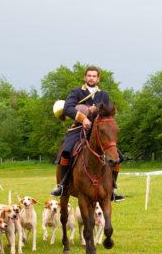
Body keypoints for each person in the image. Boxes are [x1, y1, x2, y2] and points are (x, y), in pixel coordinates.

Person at [50, 66, 124, 201]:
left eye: (94, 76)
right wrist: (83, 118)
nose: (91, 78)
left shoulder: (104, 95)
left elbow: (107, 112)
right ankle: (62, 185)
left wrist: (96, 110)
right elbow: (67, 108)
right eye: (89, 76)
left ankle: (112, 188)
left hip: (98, 130)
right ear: (85, 77)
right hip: (79, 128)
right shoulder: (76, 92)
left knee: (117, 155)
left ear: (98, 78)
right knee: (66, 151)